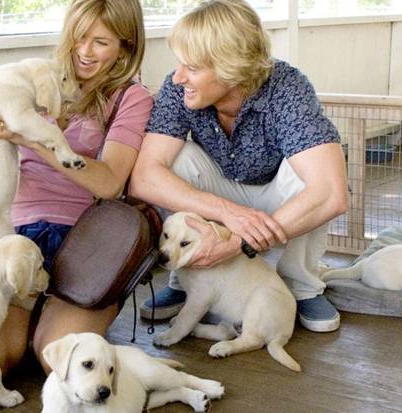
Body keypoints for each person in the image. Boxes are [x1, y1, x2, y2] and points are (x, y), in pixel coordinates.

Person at [128, 0, 348, 333]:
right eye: (180, 63)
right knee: (175, 159)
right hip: (222, 191)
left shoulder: (287, 88)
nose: (178, 75)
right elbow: (144, 177)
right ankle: (184, 275)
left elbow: (332, 194)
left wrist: (238, 242)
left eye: (193, 67)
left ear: (232, 69)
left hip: (277, 195)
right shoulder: (177, 87)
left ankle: (302, 285)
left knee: (311, 176)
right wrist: (229, 213)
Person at [0, 0, 153, 372]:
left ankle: (52, 318)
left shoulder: (131, 98)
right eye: (79, 37)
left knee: (58, 361)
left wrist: (35, 139)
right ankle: (35, 316)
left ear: (126, 45)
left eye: (101, 42)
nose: (84, 51)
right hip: (17, 235)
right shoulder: (38, 78)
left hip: (81, 244)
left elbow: (108, 182)